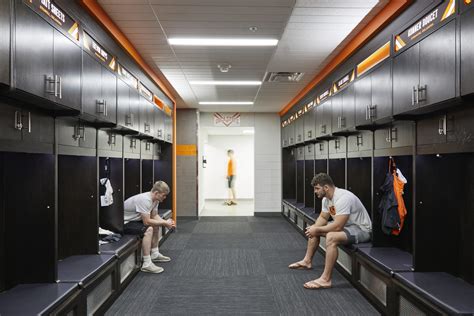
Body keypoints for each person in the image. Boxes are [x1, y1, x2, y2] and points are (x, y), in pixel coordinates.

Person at [288, 173, 372, 289]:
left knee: (332, 236)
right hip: (347, 227)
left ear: (326, 188)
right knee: (315, 228)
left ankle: (326, 279)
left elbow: (337, 226)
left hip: (362, 230)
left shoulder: (343, 198)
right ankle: (307, 261)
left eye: (317, 188)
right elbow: (323, 218)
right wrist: (314, 229)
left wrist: (316, 229)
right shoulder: (326, 200)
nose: (315, 191)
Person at [123, 181, 176, 274]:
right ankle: (147, 263)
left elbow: (154, 215)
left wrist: (167, 222)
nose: (165, 198)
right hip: (124, 222)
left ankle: (155, 253)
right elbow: (146, 221)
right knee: (149, 229)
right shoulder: (145, 199)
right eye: (163, 195)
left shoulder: (155, 200)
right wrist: (164, 223)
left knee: (156, 225)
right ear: (156, 193)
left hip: (135, 220)